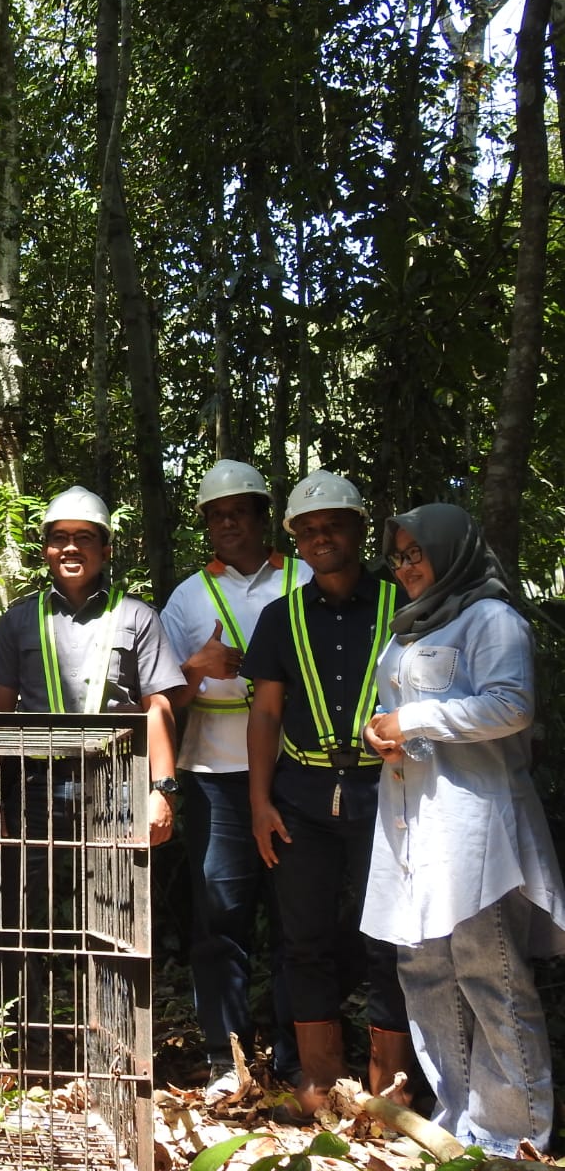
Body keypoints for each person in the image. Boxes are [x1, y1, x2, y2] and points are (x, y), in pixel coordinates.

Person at [362, 504, 565, 1154]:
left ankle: (513, 1141)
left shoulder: (491, 618)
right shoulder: (405, 631)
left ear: (450, 552)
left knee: (489, 973)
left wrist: (413, 721)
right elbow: (398, 715)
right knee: (424, 973)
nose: (405, 567)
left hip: (475, 827)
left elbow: (510, 706)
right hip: (411, 825)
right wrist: (379, 733)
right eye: (397, 557)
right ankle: (460, 1127)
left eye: (416, 552)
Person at [243, 469, 413, 1119]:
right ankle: (318, 1085)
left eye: (333, 525)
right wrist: (260, 803)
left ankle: (390, 1091)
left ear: (359, 529)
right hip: (302, 794)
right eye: (307, 529)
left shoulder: (403, 604)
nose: (321, 537)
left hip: (387, 789)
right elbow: (264, 713)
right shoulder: (280, 616)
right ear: (294, 538)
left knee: (390, 937)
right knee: (304, 938)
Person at [0, 486, 183, 1016]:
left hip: (112, 783)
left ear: (106, 549)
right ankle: (27, 1030)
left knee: (116, 907)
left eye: (85, 538)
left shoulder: (137, 617)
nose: (71, 548)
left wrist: (162, 790)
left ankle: (113, 1032)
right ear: (46, 548)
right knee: (22, 908)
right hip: (34, 784)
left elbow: (158, 706)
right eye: (60, 538)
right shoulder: (20, 619)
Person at [160, 461, 308, 1100]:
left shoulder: (303, 578)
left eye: (239, 512)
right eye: (216, 515)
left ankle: (301, 1054)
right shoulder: (188, 598)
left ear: (262, 516)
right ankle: (228, 1056)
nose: (227, 523)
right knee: (220, 920)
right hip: (215, 778)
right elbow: (161, 700)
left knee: (299, 918)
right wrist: (195, 670)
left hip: (296, 771)